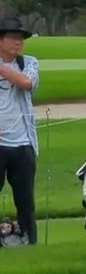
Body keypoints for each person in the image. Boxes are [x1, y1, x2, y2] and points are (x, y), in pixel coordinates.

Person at [0, 18, 40, 245]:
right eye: (13, 37)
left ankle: (29, 240)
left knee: (25, 200)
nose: (18, 42)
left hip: (23, 143)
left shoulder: (28, 62)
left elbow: (27, 83)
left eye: (21, 38)